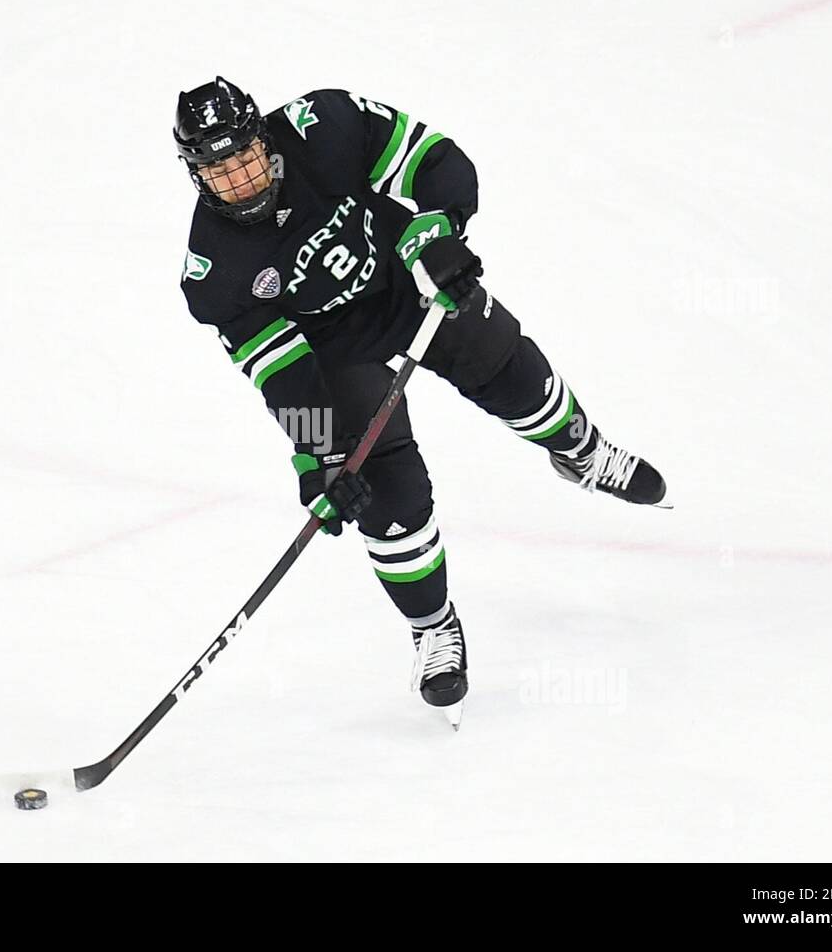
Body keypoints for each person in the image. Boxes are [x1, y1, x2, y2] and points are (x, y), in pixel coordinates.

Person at [175, 77, 666, 723]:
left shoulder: (325, 124)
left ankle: (581, 452)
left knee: (518, 379)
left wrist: (433, 236)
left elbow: (436, 161)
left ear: (264, 138)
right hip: (333, 352)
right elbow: (282, 371)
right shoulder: (213, 271)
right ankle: (433, 629)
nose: (239, 180)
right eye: (218, 170)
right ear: (195, 174)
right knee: (383, 496)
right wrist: (317, 456)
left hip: (410, 285)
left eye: (244, 157)